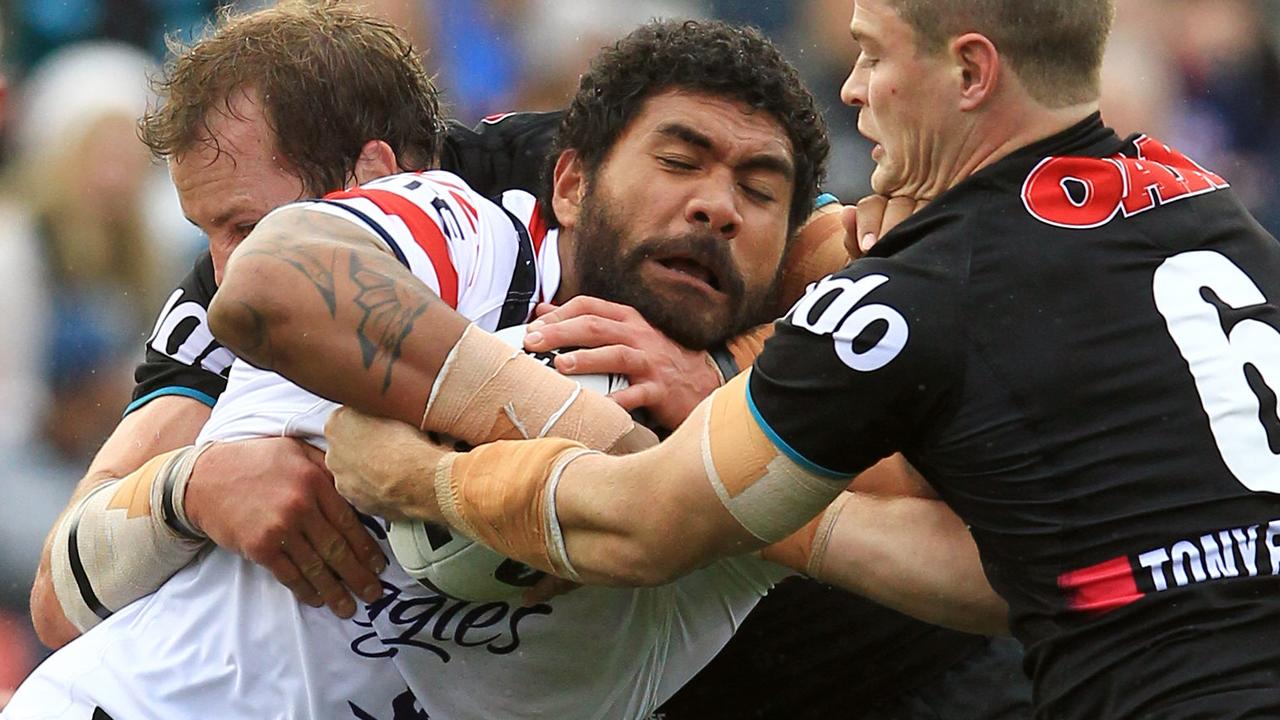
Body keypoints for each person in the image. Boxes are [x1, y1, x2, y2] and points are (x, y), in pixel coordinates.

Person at [322, 0, 1280, 718]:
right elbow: (1009, 572)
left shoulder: (915, 290)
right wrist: (755, 464)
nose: (854, 87)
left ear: (971, 72)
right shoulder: (1218, 216)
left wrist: (421, 477)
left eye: (870, 55)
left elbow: (646, 527)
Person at [5, 13, 884, 720]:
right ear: (569, 185)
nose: (718, 205)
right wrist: (187, 491)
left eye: (758, 191)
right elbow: (269, 282)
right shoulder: (458, 234)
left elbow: (885, 265)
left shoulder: (778, 408)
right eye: (681, 163)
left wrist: (702, 406)